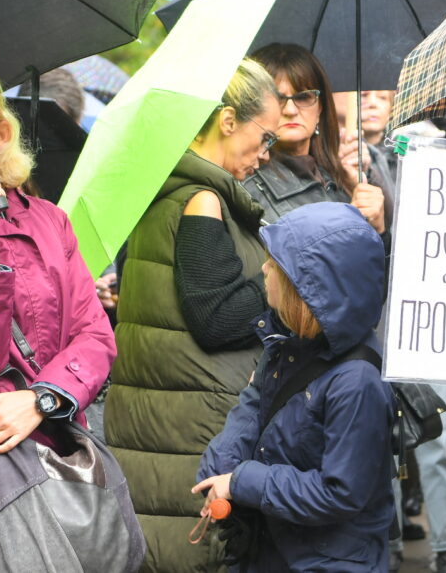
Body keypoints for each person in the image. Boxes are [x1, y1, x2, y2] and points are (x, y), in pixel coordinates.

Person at [105, 58, 282, 571]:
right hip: (193, 432)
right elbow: (218, 318)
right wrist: (280, 277)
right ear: (228, 121)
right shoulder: (202, 199)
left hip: (165, 425)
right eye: (264, 136)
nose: (266, 155)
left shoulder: (163, 188)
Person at [0, 60, 116, 572]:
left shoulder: (48, 221)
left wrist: (42, 398)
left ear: (1, 133)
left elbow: (94, 336)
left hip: (47, 464)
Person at [195, 202, 395, 572]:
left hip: (327, 561)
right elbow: (253, 408)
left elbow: (340, 493)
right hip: (271, 547)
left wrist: (242, 483)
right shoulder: (286, 341)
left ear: (310, 288)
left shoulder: (357, 381)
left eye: (276, 265)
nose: (263, 269)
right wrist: (221, 468)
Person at [243, 44, 390, 231]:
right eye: (277, 99)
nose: (290, 110)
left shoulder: (340, 177)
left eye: (304, 97)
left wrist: (376, 227)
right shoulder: (247, 189)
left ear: (320, 107)